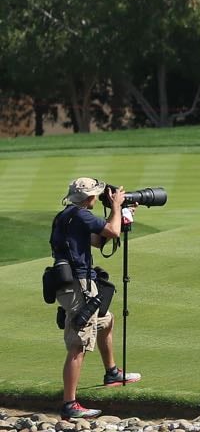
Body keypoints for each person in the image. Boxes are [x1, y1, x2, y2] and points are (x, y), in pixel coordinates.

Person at [49, 178, 142, 419]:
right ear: (89, 198)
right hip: (79, 284)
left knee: (105, 320)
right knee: (78, 344)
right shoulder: (81, 215)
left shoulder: (66, 216)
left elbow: (99, 240)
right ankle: (69, 404)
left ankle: (111, 372)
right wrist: (116, 208)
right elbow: (111, 231)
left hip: (75, 282)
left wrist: (122, 215)